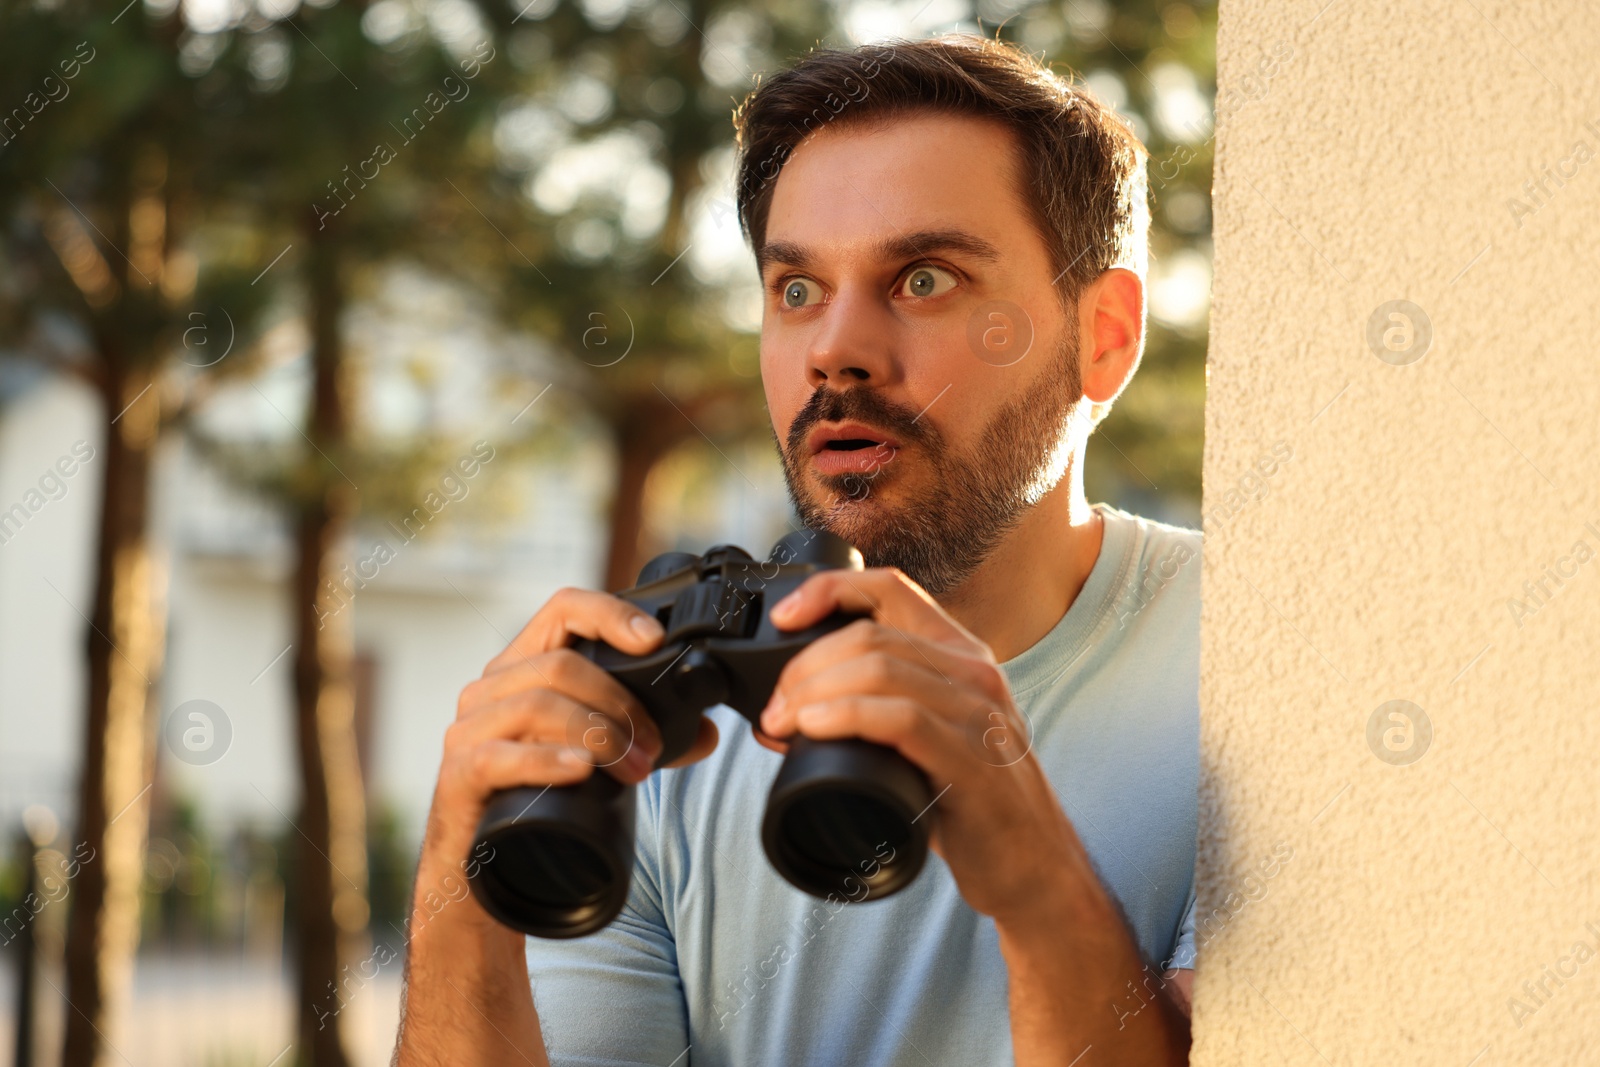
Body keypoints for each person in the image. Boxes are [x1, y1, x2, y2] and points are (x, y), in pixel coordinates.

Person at [395, 33, 1198, 1067]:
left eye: (922, 279)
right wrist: (458, 898)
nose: (834, 348)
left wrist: (1028, 857)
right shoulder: (651, 732)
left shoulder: (1248, 671)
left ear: (1104, 337)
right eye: (797, 290)